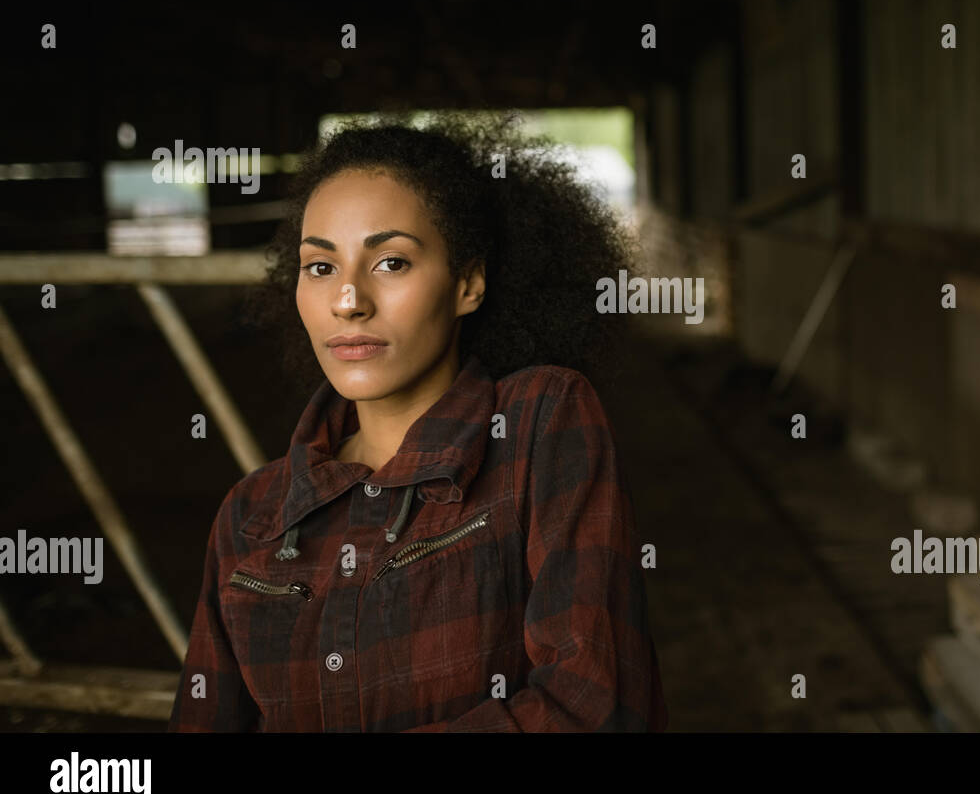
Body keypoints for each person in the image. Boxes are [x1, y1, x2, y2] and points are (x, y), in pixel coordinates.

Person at [168, 114, 667, 731]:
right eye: (321, 267)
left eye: (391, 263)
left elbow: (595, 706)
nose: (348, 301)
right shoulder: (251, 514)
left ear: (468, 283)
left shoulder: (539, 421)